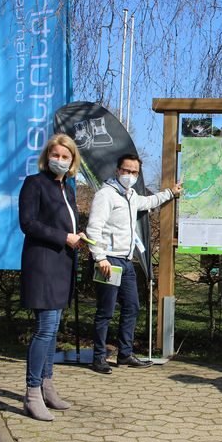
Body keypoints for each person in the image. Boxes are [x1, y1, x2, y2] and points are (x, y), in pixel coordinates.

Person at [87, 154, 182, 373]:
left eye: (134, 172)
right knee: (106, 311)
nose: (130, 175)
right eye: (126, 171)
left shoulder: (131, 196)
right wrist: (99, 257)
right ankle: (99, 357)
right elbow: (94, 228)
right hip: (108, 260)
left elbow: (149, 202)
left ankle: (125, 354)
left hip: (127, 262)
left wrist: (171, 193)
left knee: (132, 307)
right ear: (118, 170)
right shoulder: (105, 195)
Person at [19, 133, 84, 422]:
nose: (60, 160)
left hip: (62, 265)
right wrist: (64, 236)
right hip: (43, 265)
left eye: (65, 156)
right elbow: (28, 223)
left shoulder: (68, 188)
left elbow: (67, 223)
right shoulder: (34, 184)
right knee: (44, 329)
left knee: (54, 329)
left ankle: (47, 386)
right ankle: (32, 393)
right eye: (55, 155)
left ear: (72, 161)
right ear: (47, 157)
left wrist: (78, 237)